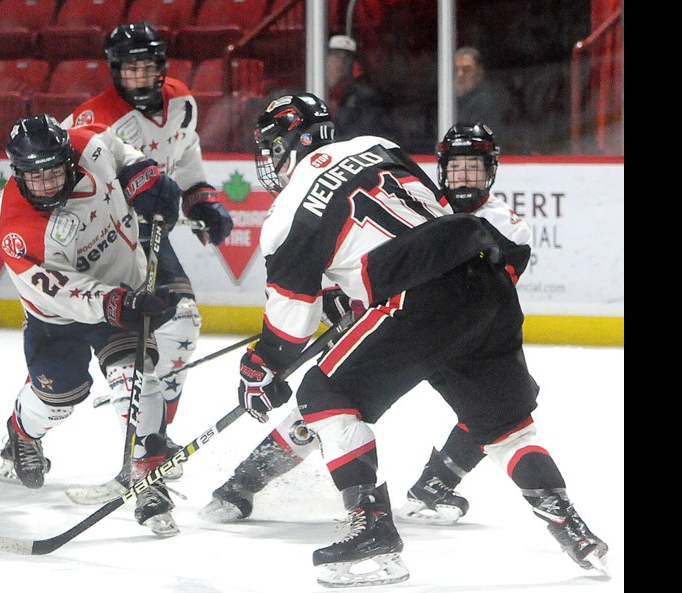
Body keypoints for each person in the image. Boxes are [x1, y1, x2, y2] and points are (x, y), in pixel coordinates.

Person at [225, 93, 608, 587]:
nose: (270, 161)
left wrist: (260, 368)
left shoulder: (285, 217)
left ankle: (373, 534)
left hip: (416, 297)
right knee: (509, 430)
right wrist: (355, 295)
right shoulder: (376, 145)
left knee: (325, 394)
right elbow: (425, 215)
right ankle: (574, 531)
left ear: (292, 145)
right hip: (484, 279)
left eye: (273, 148)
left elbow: (289, 325)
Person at [200, 122, 534, 526]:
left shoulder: (506, 222)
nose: (464, 177)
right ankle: (245, 482)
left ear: (491, 170)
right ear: (442, 168)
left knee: (494, 403)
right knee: (328, 407)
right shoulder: (416, 196)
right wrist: (340, 301)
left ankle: (437, 483)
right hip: (400, 318)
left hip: (445, 324)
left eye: (474, 168)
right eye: (457, 167)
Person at [22, 21, 233, 502]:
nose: (140, 76)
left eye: (148, 66)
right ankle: (30, 427)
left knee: (180, 325)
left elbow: (187, 149)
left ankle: (152, 443)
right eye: (129, 68)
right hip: (111, 233)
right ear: (114, 71)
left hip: (151, 226)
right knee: (79, 354)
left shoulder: (182, 100)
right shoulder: (92, 118)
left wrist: (200, 196)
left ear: (161, 68)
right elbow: (69, 191)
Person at [0, 114, 184, 537]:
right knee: (60, 396)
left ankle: (147, 475)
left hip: (121, 284)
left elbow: (120, 150)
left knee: (133, 373)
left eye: (53, 172)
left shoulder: (89, 143)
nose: (44, 184)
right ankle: (23, 431)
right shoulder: (17, 231)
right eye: (33, 176)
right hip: (57, 317)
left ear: (69, 159)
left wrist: (142, 174)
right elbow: (63, 291)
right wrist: (115, 302)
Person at [326, 34, 401, 144]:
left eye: (347, 57)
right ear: (325, 58)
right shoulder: (315, 90)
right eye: (336, 55)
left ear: (353, 64)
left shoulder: (366, 98)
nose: (341, 62)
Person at [454, 47, 519, 152]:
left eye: (467, 70)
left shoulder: (487, 103)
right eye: (455, 70)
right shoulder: (447, 104)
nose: (460, 75)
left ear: (479, 73)